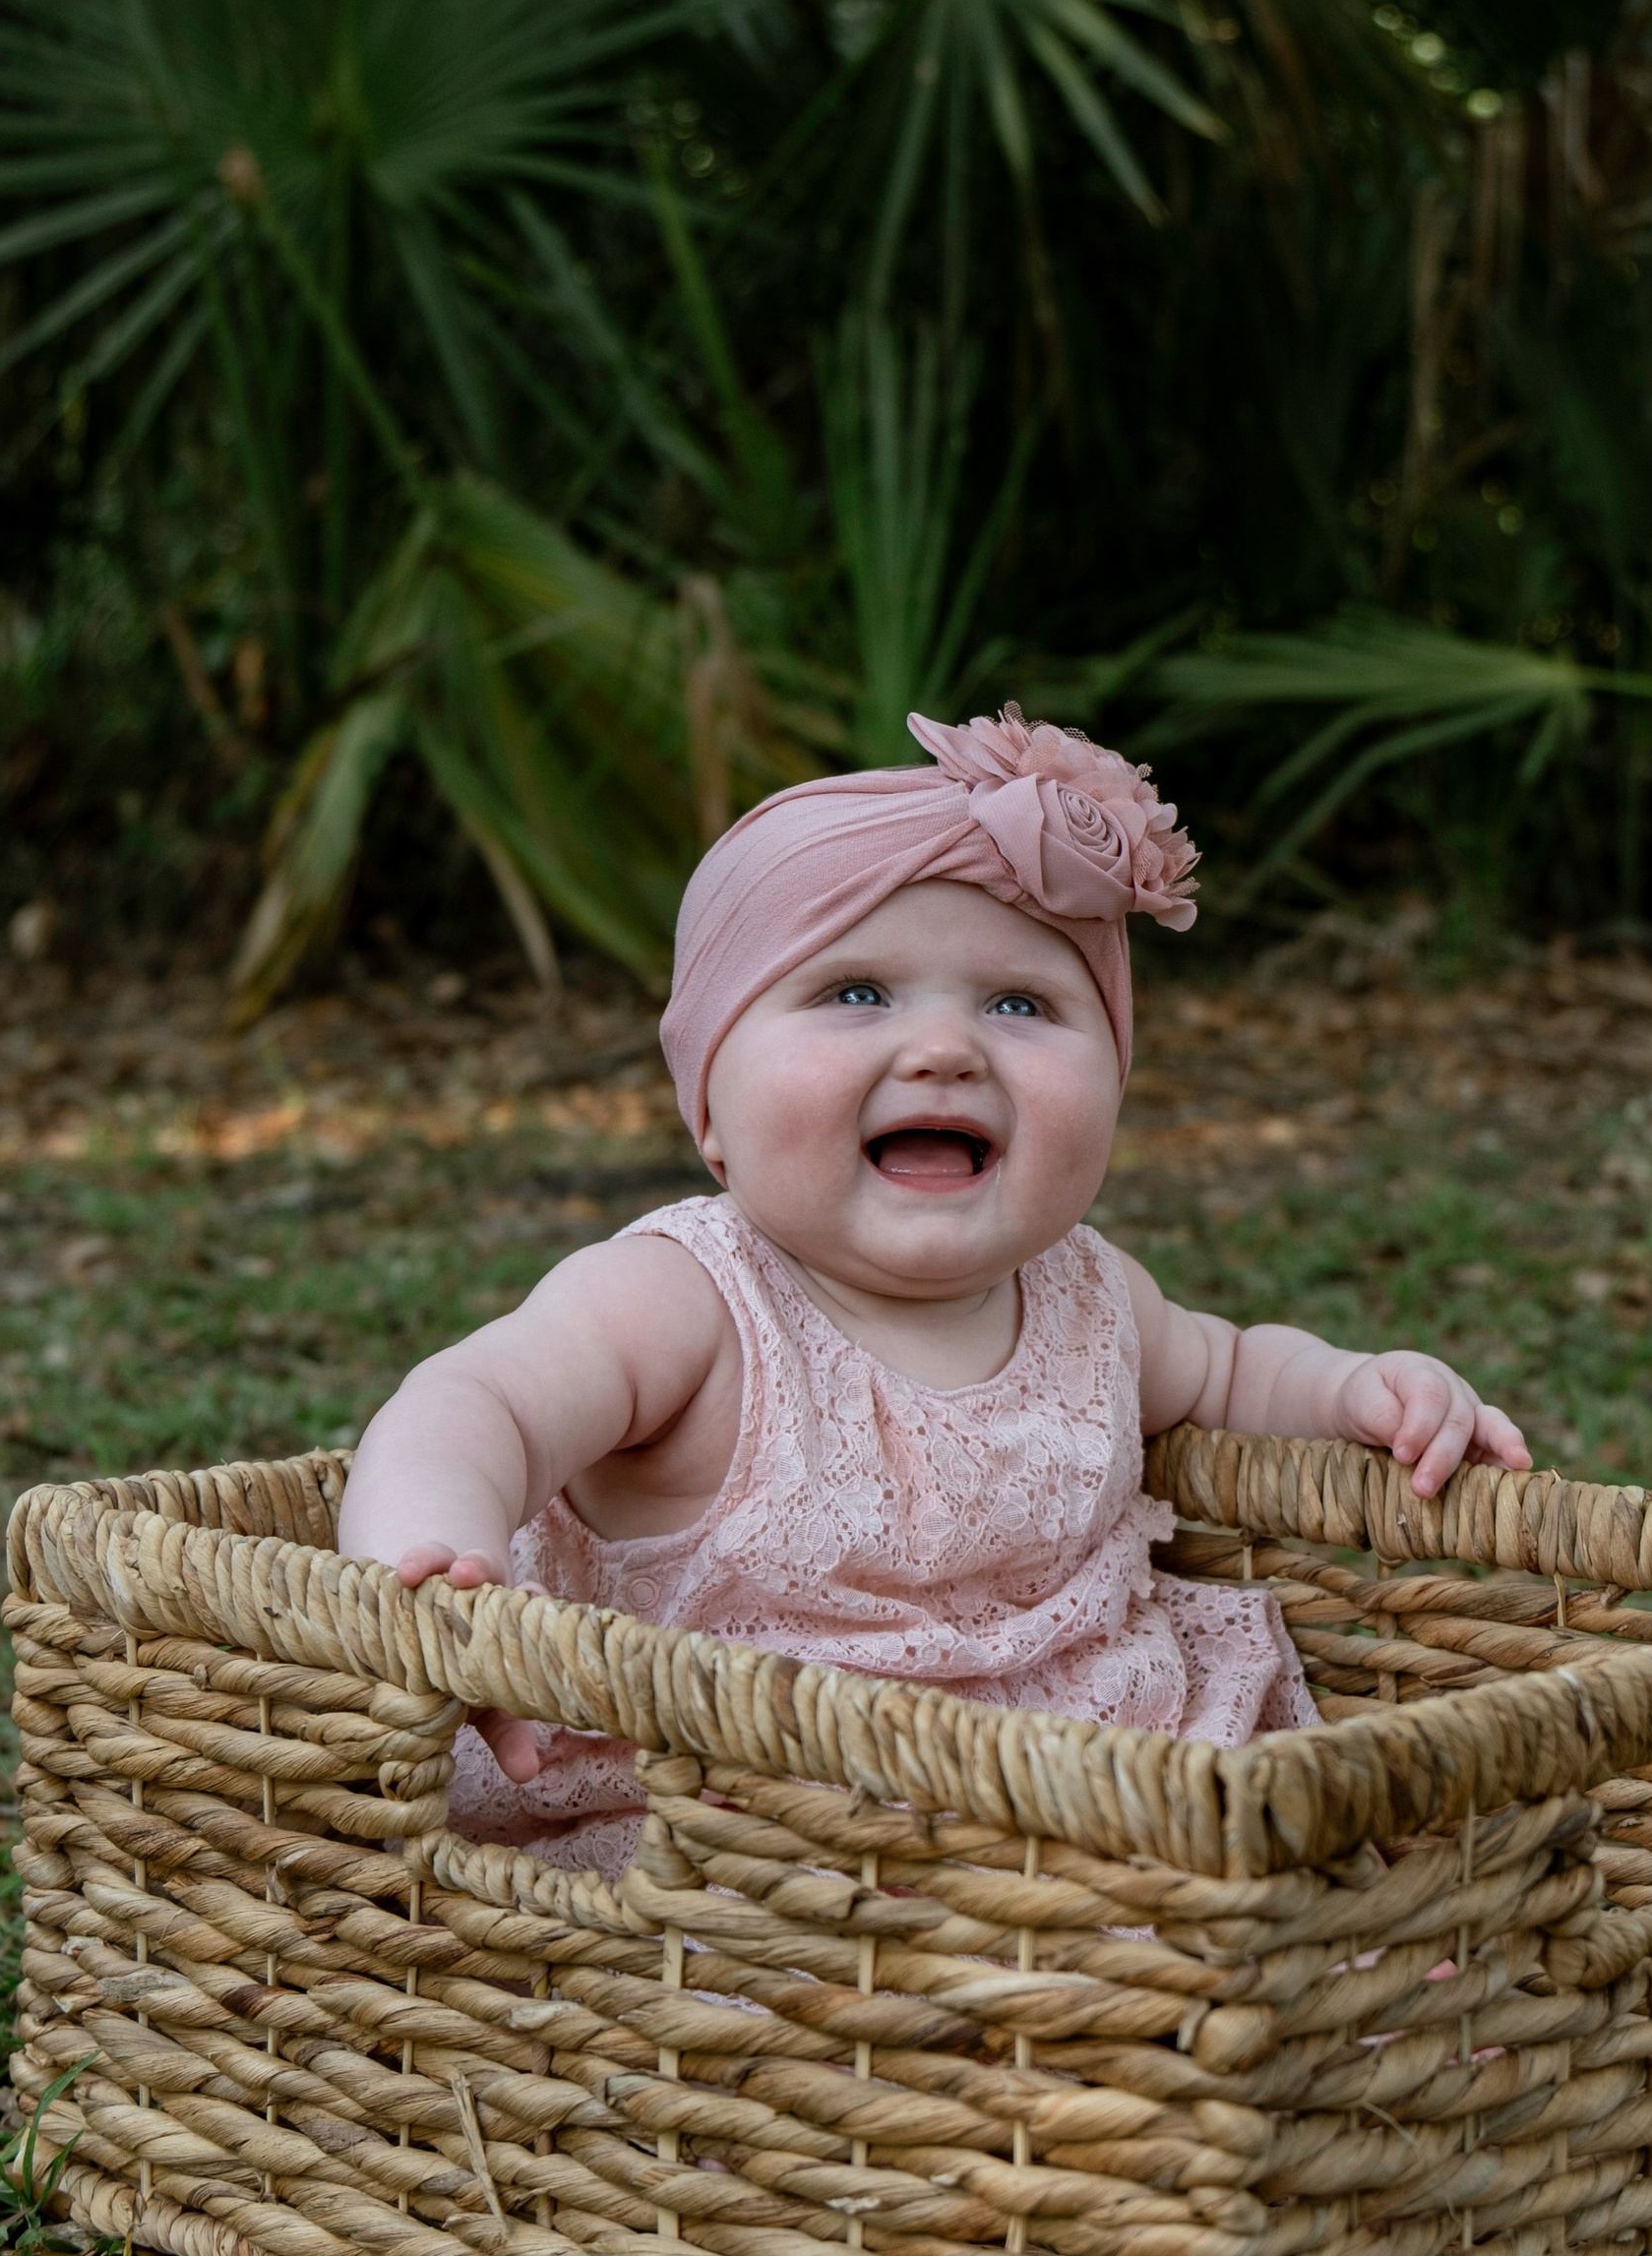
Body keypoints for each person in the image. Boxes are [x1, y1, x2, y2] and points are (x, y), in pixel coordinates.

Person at [341, 709, 1528, 1857]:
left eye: (1022, 1004)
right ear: (711, 1110)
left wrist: (1359, 1390)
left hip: (1105, 1795)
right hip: (759, 1827)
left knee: (1303, 1902)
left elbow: (1229, 1365)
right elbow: (472, 1404)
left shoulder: (1091, 1296)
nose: (947, 1047)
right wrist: (438, 1554)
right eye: (855, 992)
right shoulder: (687, 1302)